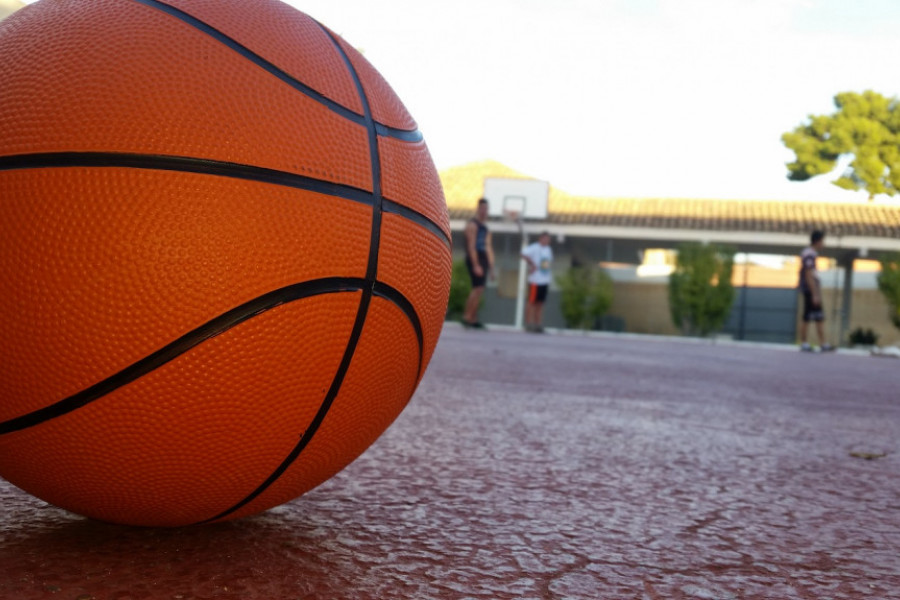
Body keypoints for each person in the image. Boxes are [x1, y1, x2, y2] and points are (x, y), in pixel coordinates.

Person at [798, 230, 833, 352]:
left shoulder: (810, 253)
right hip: (810, 290)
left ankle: (822, 343)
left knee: (817, 317)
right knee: (808, 316)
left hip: (811, 290)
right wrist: (814, 294)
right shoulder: (809, 254)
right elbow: (808, 274)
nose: (823, 244)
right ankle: (805, 343)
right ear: (817, 241)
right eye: (822, 241)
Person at [462, 198, 494, 329]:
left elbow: (488, 247)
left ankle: (473, 318)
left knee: (480, 289)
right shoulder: (472, 225)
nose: (484, 211)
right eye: (482, 208)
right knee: (477, 288)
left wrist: (491, 267)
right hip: (474, 257)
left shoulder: (486, 228)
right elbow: (471, 246)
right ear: (478, 209)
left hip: (483, 258)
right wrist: (475, 264)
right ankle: (467, 317)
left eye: (486, 209)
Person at [521, 231, 553, 333]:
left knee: (540, 303)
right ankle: (528, 323)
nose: (546, 240)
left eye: (548, 239)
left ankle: (538, 324)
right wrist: (532, 264)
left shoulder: (549, 250)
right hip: (535, 280)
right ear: (540, 238)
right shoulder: (534, 247)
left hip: (544, 280)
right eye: (544, 238)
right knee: (531, 302)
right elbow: (523, 254)